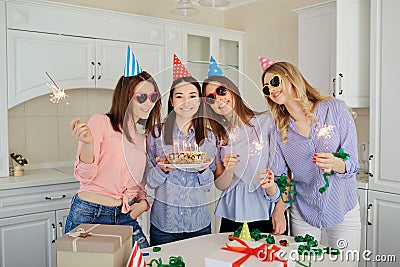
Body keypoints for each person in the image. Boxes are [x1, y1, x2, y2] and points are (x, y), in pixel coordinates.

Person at [260, 59, 361, 255]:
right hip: (304, 212)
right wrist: (278, 207)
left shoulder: (335, 109)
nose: (271, 90)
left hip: (342, 207)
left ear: (291, 79)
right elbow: (283, 181)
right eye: (266, 88)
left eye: (274, 82)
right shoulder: (279, 131)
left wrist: (336, 163)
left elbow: (353, 163)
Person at [64, 46, 162, 248]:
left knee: (144, 259)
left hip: (125, 214)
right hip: (91, 213)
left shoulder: (141, 135)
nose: (149, 103)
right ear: (126, 97)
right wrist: (88, 144)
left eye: (153, 97)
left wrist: (143, 203)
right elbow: (85, 174)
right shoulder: (100, 123)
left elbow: (138, 181)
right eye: (141, 97)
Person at [202, 56, 281, 234]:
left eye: (222, 91)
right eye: (210, 98)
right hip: (232, 214)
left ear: (233, 91)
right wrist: (229, 169)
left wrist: (280, 209)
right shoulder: (218, 136)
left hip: (264, 210)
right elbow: (221, 185)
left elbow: (285, 172)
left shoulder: (266, 122)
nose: (218, 100)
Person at [145, 54, 216, 246]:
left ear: (200, 101)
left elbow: (209, 185)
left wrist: (202, 169)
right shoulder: (156, 134)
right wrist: (163, 169)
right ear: (172, 101)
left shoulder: (209, 138)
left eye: (192, 96)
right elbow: (149, 181)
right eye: (180, 96)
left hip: (198, 223)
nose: (186, 102)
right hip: (164, 225)